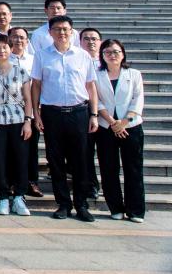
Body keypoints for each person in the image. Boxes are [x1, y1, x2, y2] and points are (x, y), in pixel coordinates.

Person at [31, 14, 99, 222]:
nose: (61, 32)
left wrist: (94, 114)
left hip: (79, 113)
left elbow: (91, 86)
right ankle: (63, 204)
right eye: (57, 29)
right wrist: (36, 114)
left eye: (65, 29)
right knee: (56, 161)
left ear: (72, 32)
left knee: (81, 161)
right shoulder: (42, 55)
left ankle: (81, 204)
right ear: (50, 32)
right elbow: (36, 85)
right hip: (52, 114)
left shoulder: (83, 56)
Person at [0, 34, 33, 216]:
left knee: (20, 159)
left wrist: (28, 121)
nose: (1, 51)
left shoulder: (21, 72)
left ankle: (19, 196)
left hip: (18, 119)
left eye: (5, 47)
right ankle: (2, 196)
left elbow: (28, 99)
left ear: (11, 49)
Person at [95, 39, 145, 222]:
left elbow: (137, 100)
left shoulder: (134, 74)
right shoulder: (96, 75)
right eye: (107, 52)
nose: (112, 55)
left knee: (133, 169)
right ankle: (115, 208)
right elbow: (96, 101)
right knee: (109, 169)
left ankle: (136, 211)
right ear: (102, 55)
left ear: (123, 54)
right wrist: (112, 122)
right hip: (105, 127)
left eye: (116, 52)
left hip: (131, 127)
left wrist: (123, 122)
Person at [8, 26, 42, 197]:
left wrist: (37, 111)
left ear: (27, 41)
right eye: (15, 37)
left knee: (32, 148)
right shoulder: (2, 59)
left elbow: (39, 85)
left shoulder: (35, 59)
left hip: (32, 110)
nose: (18, 40)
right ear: (9, 40)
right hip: (9, 112)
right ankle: (13, 182)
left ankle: (32, 181)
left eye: (22, 37)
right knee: (12, 148)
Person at [79, 27, 104, 198]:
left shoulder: (107, 61)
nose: (90, 42)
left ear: (100, 42)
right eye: (86, 39)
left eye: (94, 39)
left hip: (107, 114)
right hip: (84, 110)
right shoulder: (77, 60)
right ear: (80, 42)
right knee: (85, 151)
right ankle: (90, 184)